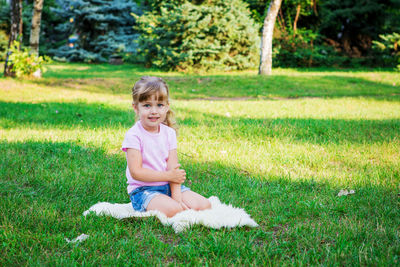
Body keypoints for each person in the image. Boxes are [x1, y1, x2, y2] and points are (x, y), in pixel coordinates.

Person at [122, 76, 211, 217]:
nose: (154, 111)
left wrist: (177, 199)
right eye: (147, 105)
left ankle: (171, 203)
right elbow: (136, 172)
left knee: (204, 205)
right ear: (136, 108)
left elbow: (173, 170)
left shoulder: (169, 133)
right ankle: (166, 205)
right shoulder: (134, 135)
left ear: (167, 106)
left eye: (159, 105)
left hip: (169, 186)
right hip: (144, 190)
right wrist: (168, 177)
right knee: (173, 211)